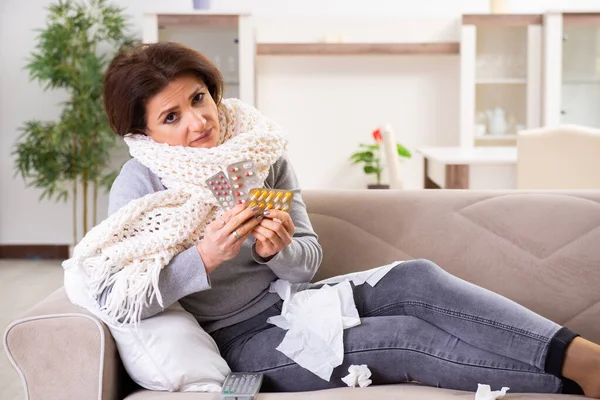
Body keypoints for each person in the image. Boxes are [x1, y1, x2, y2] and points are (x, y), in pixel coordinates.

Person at [98, 41, 600, 396]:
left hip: (293, 302)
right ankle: (573, 381)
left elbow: (305, 265)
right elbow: (115, 298)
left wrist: (280, 251)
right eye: (172, 117)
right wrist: (204, 259)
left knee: (415, 278)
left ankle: (587, 359)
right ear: (144, 134)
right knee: (400, 337)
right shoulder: (142, 186)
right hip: (236, 342)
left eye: (198, 99)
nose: (198, 121)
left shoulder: (259, 157)